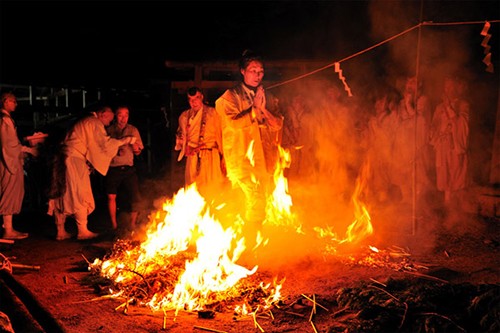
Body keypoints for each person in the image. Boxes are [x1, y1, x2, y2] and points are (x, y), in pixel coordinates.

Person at [215, 50, 283, 240]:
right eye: (253, 70)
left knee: (264, 199)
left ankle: (259, 239)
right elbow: (233, 123)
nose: (258, 75)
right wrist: (253, 110)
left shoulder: (268, 96)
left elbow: (277, 124)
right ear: (243, 71)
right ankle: (248, 241)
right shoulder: (230, 97)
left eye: (261, 71)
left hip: (265, 158)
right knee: (252, 199)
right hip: (242, 159)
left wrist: (263, 109)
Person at [47, 104, 136, 240]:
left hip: (64, 158)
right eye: (108, 120)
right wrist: (125, 140)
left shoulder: (85, 122)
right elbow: (104, 144)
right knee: (80, 193)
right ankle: (82, 231)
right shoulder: (93, 122)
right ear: (102, 114)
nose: (108, 124)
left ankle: (60, 231)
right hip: (73, 161)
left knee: (61, 192)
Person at [0, 92, 38, 239]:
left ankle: (9, 228)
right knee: (9, 192)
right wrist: (29, 149)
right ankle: (8, 230)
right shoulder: (4, 120)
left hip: (9, 160)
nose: (16, 104)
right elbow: (9, 145)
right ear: (5, 102)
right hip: (8, 162)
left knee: (11, 192)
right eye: (13, 101)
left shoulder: (7, 119)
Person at [174, 87, 225, 195]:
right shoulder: (184, 116)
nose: (194, 102)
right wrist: (182, 141)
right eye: (190, 99)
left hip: (210, 154)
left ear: (201, 97)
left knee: (211, 186)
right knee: (192, 187)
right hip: (192, 156)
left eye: (196, 98)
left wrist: (223, 158)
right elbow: (179, 136)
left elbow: (222, 135)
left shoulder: (214, 113)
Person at [429, 76, 470, 204]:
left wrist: (449, 109)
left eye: (451, 86)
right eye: (446, 87)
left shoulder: (463, 105)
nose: (448, 90)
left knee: (455, 174)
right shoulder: (439, 107)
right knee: (444, 176)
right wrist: (432, 132)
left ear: (457, 88)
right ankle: (448, 206)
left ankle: (457, 209)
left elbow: (463, 124)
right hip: (442, 146)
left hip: (454, 146)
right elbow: (434, 125)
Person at [105, 105, 144, 232]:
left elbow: (138, 152)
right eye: (120, 115)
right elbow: (102, 150)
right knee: (111, 196)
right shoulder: (108, 130)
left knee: (135, 196)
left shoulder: (133, 130)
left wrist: (134, 147)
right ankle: (113, 225)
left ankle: (132, 224)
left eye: (126, 115)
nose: (123, 118)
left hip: (128, 168)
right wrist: (116, 150)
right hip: (113, 167)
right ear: (115, 116)